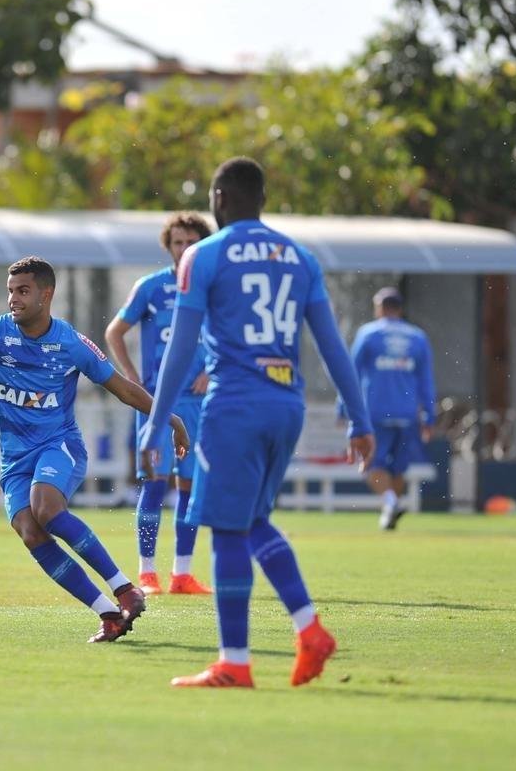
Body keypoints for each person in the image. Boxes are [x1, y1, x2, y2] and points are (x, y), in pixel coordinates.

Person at [140, 157, 373, 688]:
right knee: (253, 522)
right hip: (286, 406)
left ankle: (234, 663)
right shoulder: (301, 258)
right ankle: (310, 631)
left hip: (233, 407)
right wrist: (359, 418)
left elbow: (179, 348)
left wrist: (156, 423)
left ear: (218, 199)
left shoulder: (203, 256)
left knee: (225, 530)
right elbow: (332, 346)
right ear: (262, 199)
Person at [0, 256, 190, 642]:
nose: (14, 298)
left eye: (23, 291)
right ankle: (108, 612)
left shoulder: (71, 343)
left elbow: (124, 389)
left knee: (46, 508)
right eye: (11, 291)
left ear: (47, 295)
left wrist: (172, 419)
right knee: (30, 530)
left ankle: (125, 588)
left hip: (59, 445)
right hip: (15, 458)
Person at [104, 212, 213, 595]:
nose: (184, 249)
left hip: (198, 404)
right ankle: (147, 573)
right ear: (168, 246)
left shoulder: (214, 287)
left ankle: (182, 574)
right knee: (154, 484)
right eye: (178, 242)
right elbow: (115, 331)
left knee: (191, 486)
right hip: (158, 405)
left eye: (191, 242)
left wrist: (212, 372)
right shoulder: (151, 287)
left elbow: (232, 338)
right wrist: (132, 376)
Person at [340, 287, 436, 530]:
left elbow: (351, 372)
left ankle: (390, 502)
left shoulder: (369, 334)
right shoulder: (417, 337)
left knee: (371, 464)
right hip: (407, 413)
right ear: (400, 309)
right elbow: (426, 379)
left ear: (380, 308)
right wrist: (429, 415)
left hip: (375, 412)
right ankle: (389, 511)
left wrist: (343, 406)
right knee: (398, 468)